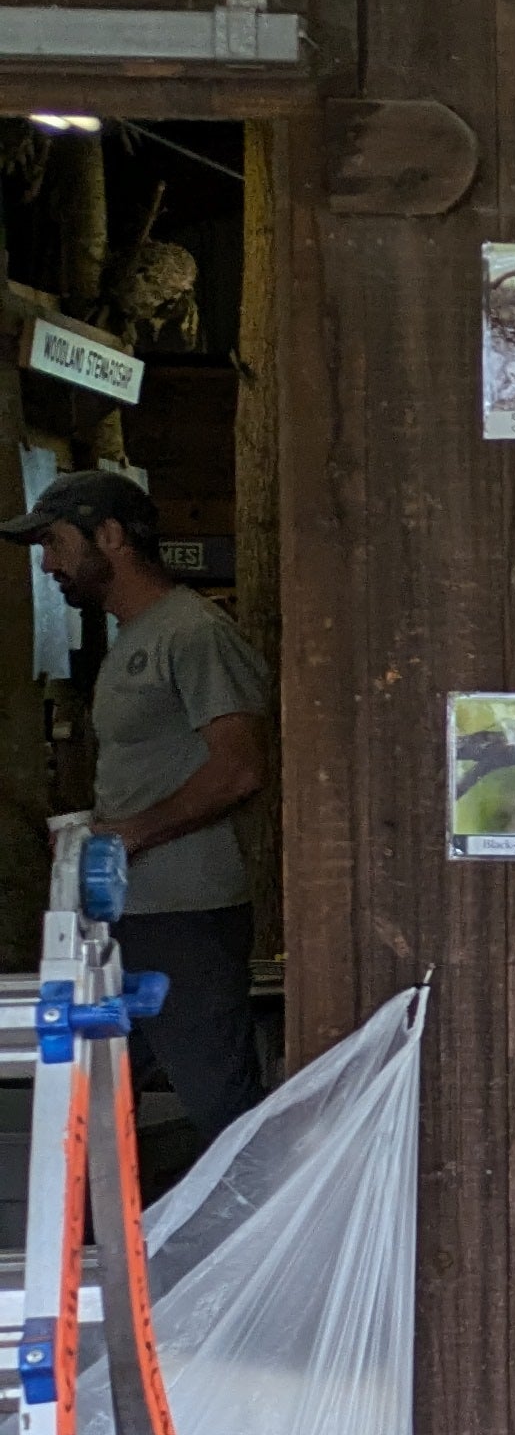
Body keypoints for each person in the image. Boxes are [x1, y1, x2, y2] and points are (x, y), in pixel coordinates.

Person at [4, 466, 272, 1148]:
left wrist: (129, 834)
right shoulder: (135, 637)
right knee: (96, 1098)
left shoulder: (194, 633)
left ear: (112, 535)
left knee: (222, 1108)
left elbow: (239, 766)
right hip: (134, 915)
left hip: (187, 915)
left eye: (56, 542)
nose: (47, 563)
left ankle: (258, 1240)